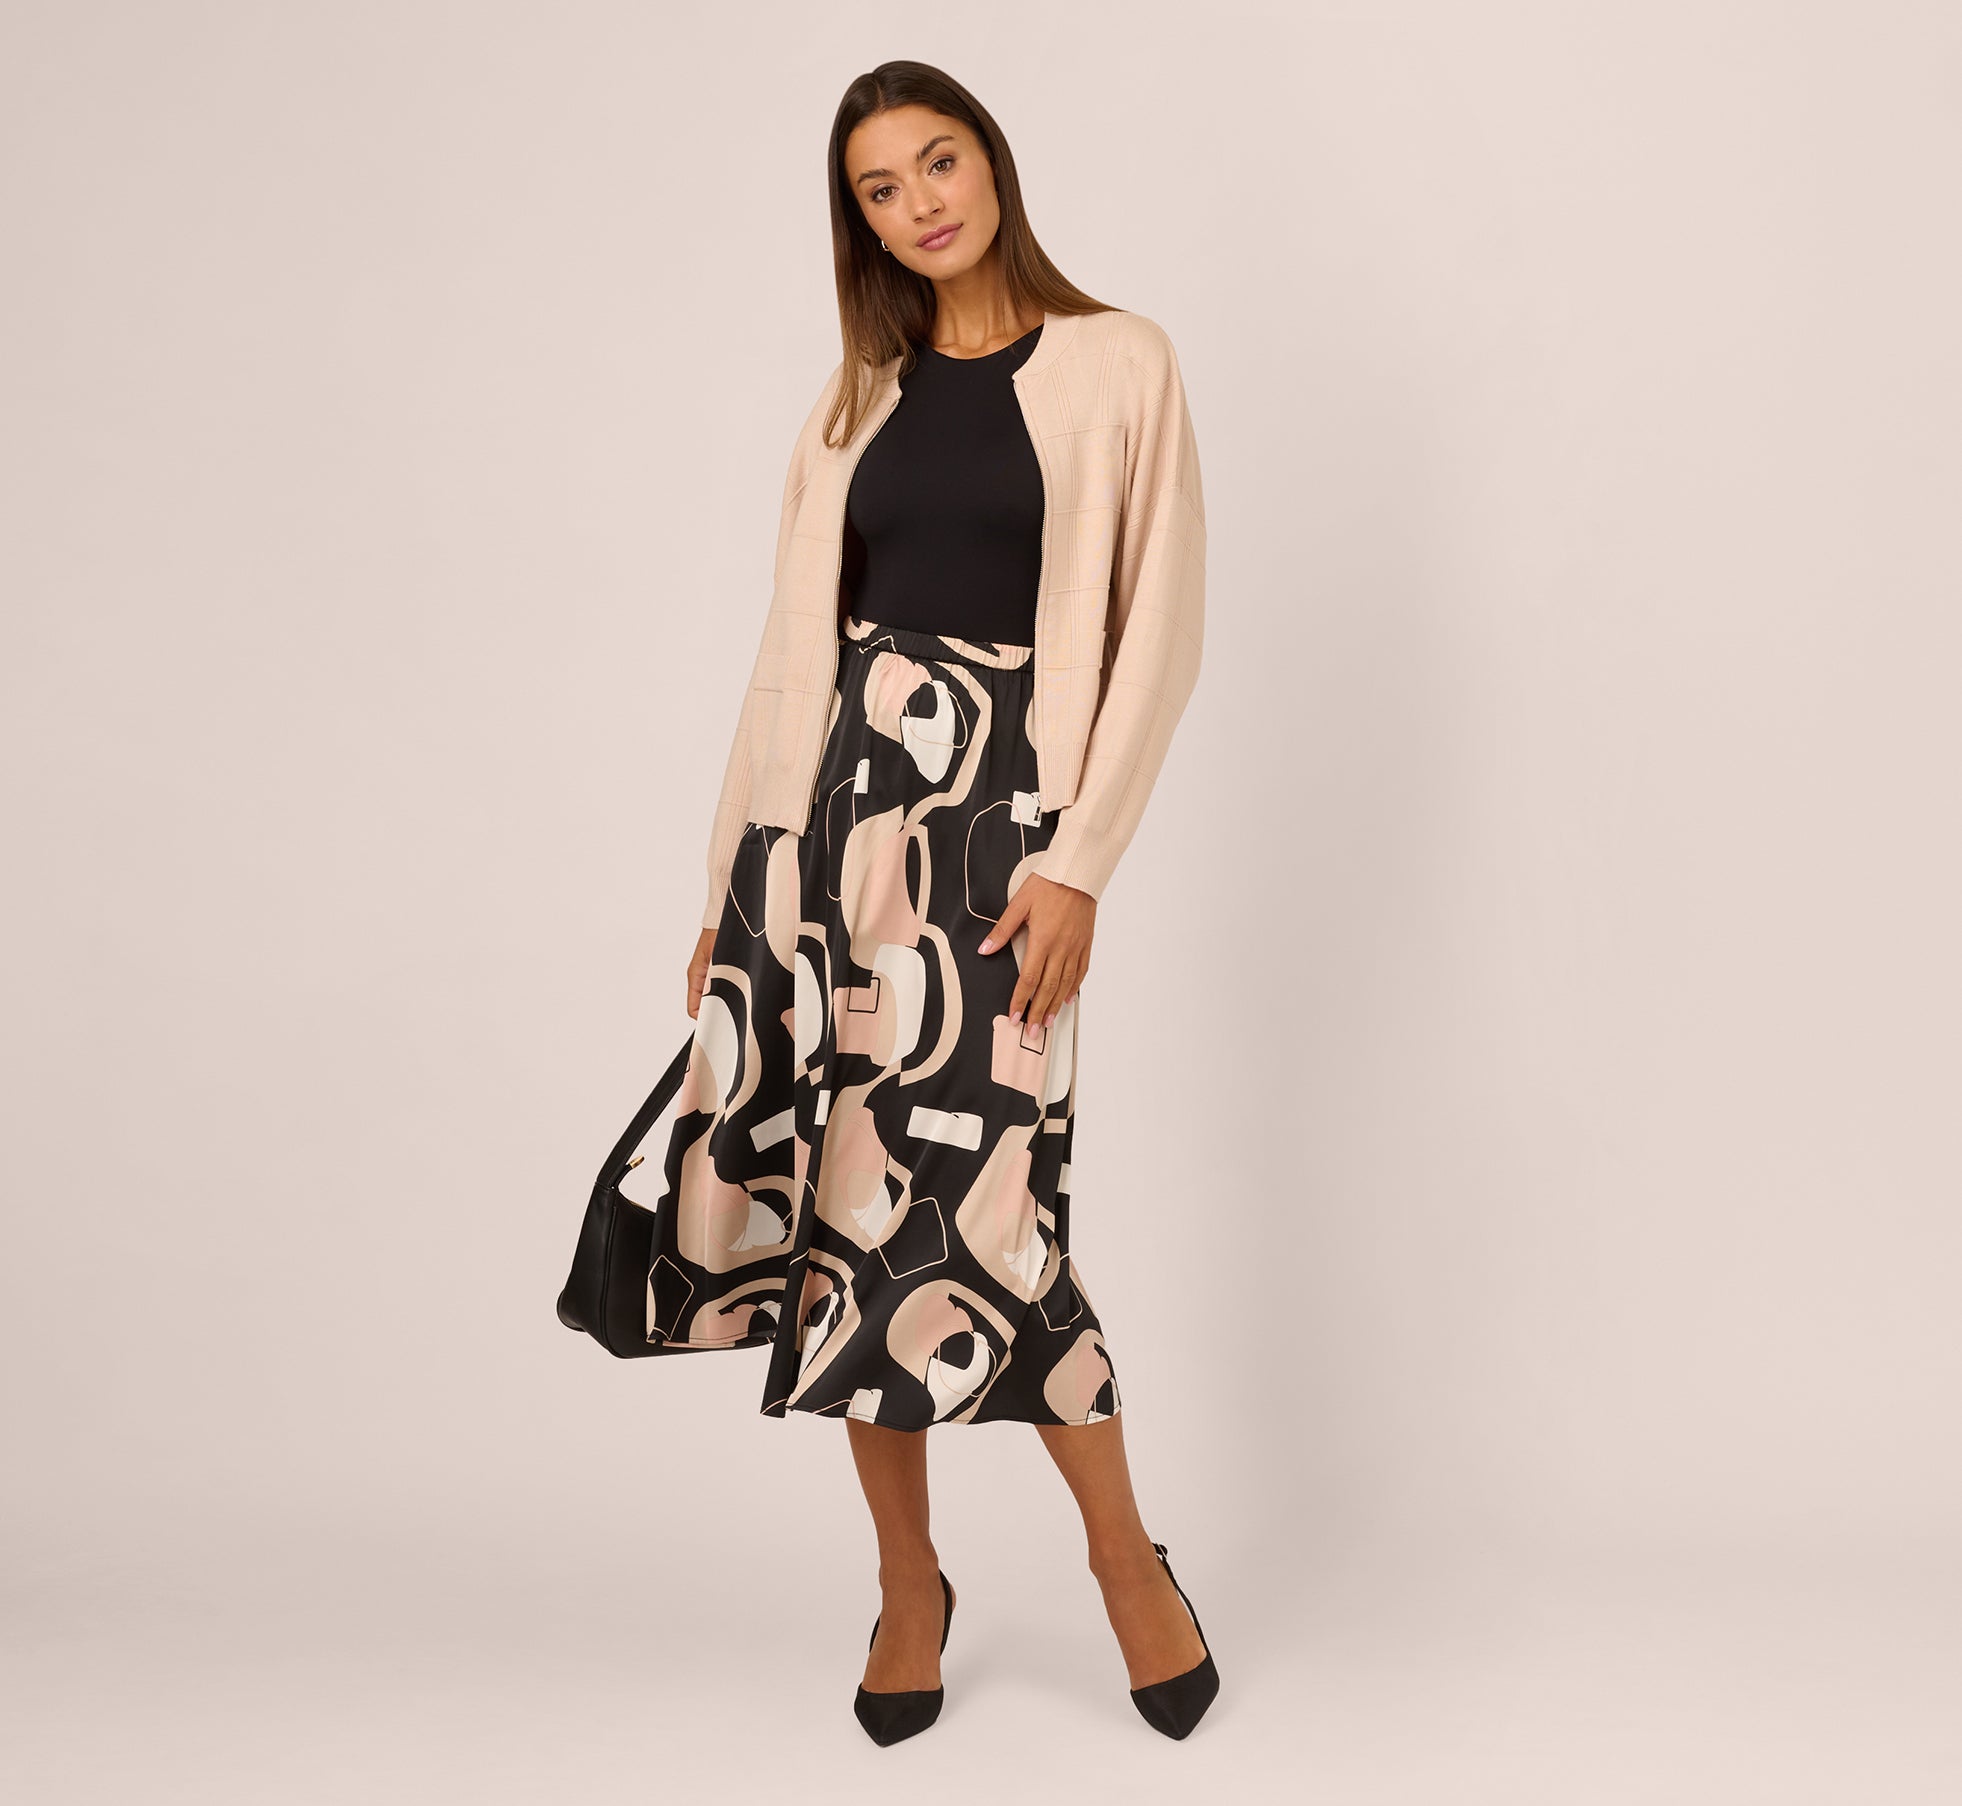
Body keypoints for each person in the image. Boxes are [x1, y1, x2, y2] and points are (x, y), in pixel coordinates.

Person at [646, 60, 1216, 1743]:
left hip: (998, 843)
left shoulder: (1120, 361)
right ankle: (909, 1581)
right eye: (879, 190)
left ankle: (1122, 1558)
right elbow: (786, 667)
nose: (918, 205)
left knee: (994, 1217)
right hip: (832, 839)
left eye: (937, 162)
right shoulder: (853, 404)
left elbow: (1159, 632)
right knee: (846, 1218)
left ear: (992, 162)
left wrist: (1077, 861)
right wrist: (733, 886)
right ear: (862, 225)